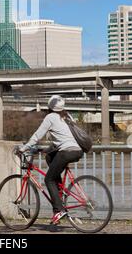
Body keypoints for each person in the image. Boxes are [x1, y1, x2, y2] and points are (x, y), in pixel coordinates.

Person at [17, 95, 83, 225]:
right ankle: (59, 197)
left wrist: (24, 148)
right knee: (49, 157)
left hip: (66, 152)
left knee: (48, 179)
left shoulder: (50, 117)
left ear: (49, 107)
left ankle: (59, 210)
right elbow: (62, 138)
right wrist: (45, 150)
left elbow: (37, 136)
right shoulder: (67, 116)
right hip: (78, 150)